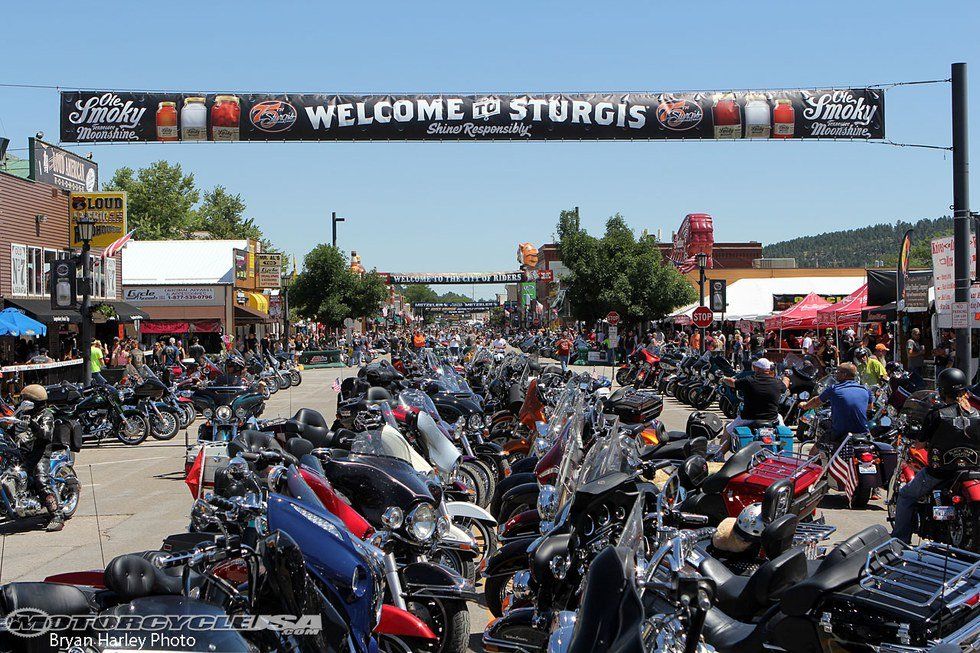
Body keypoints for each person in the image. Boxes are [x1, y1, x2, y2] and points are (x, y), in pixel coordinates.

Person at [892, 367, 980, 544]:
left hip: (939, 473)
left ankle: (899, 540)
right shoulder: (978, 415)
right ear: (964, 390)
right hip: (973, 472)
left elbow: (920, 444)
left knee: (906, 496)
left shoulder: (937, 414)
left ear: (942, 389)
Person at [17, 385, 65, 531]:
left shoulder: (46, 415)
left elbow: (45, 435)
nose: (23, 402)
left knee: (41, 480)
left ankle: (57, 516)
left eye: (26, 399)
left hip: (40, 453)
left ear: (34, 401)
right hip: (24, 451)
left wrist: (32, 423)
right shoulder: (22, 413)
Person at [799, 362, 872, 449]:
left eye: (838, 372)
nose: (836, 374)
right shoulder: (865, 390)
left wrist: (805, 405)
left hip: (840, 432)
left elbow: (817, 401)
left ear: (844, 375)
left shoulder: (834, 389)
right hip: (863, 432)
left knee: (813, 452)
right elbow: (869, 408)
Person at [721, 358, 788, 449]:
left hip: (749, 417)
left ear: (757, 368)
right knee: (784, 431)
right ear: (768, 369)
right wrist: (786, 377)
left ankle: (720, 454)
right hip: (772, 418)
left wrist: (723, 379)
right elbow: (785, 384)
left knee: (728, 428)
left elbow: (733, 383)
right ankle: (783, 450)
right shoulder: (777, 382)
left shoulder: (749, 380)